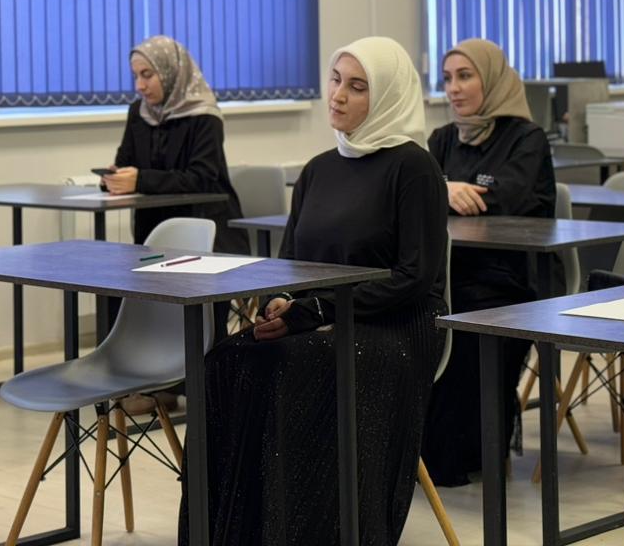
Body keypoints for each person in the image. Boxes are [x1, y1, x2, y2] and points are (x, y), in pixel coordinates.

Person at [180, 36, 447, 546]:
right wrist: (280, 303)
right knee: (224, 363)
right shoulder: (319, 169)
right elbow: (291, 263)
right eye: (335, 80)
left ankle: (301, 530)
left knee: (293, 366)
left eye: (358, 86)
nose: (338, 95)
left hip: (394, 325)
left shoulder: (415, 168)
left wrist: (316, 311)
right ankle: (234, 531)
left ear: (387, 96)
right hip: (320, 315)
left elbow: (414, 277)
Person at [420, 38, 556, 486]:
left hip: (510, 282)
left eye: (465, 76)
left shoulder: (527, 138)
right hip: (451, 274)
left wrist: (446, 190)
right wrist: (443, 188)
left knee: (466, 333)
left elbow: (501, 200)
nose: (453, 88)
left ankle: (459, 458)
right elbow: (417, 191)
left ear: (492, 80)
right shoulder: (443, 138)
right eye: (447, 79)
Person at [101, 36, 246, 255]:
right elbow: (124, 163)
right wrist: (114, 179)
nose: (140, 86)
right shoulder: (138, 113)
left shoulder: (205, 116)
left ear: (170, 72)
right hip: (151, 229)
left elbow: (201, 178)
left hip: (205, 227)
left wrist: (139, 180)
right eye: (135, 76)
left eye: (147, 75)